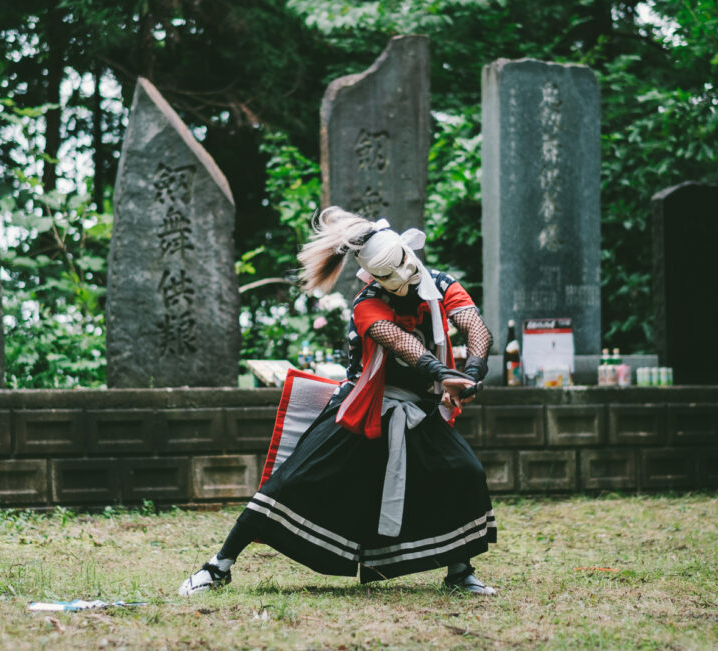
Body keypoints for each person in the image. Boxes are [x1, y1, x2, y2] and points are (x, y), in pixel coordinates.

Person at [178, 207, 497, 596]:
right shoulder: (368, 302)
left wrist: (475, 371)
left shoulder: (441, 284)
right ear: (370, 275)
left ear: (408, 251)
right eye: (386, 274)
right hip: (362, 410)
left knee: (462, 471)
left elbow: (473, 324)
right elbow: (402, 343)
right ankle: (219, 566)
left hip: (417, 409)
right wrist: (443, 373)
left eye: (401, 265)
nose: (400, 278)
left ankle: (459, 571)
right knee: (292, 481)